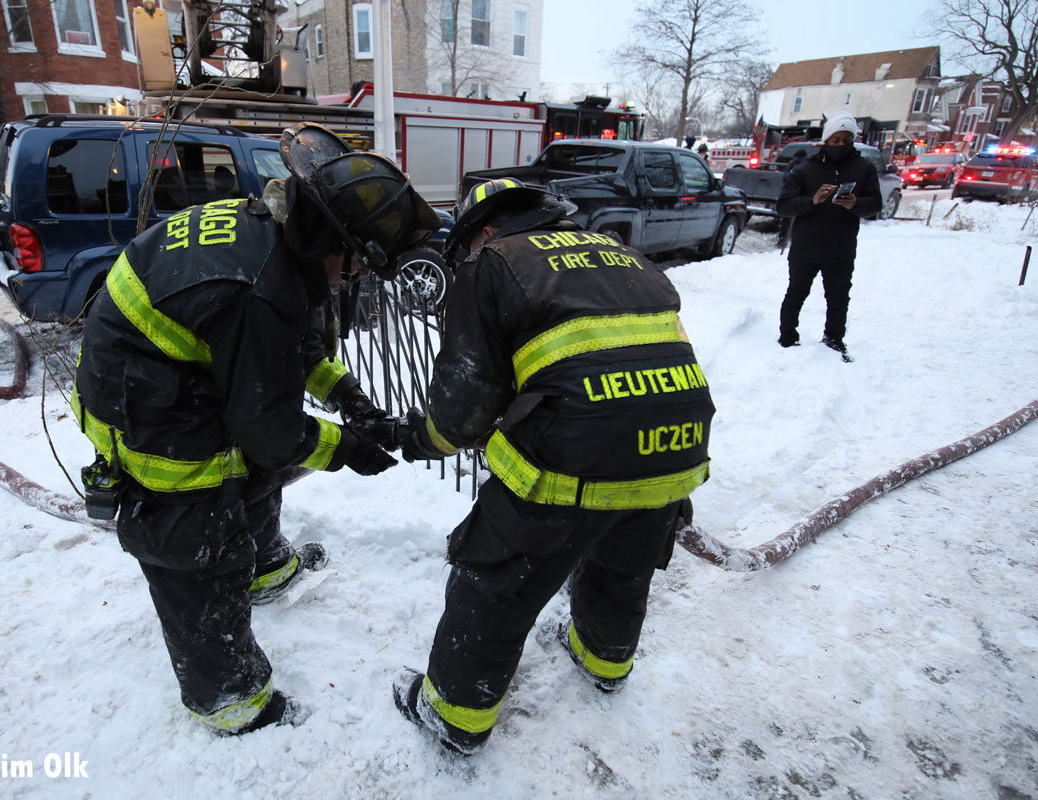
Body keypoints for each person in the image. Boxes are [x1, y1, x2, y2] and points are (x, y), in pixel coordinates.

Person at [73, 122, 440, 736]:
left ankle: (266, 568)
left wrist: (349, 398)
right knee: (196, 546)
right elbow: (268, 426)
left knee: (251, 468)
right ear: (337, 241)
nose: (352, 279)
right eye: (356, 265)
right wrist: (348, 448)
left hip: (175, 377)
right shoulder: (260, 287)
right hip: (149, 414)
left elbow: (284, 354)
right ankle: (229, 698)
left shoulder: (271, 228)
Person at [390, 178, 716, 755]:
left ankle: (455, 717)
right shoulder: (623, 255)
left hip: (575, 450)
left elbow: (464, 407)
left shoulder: (494, 262)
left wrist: (422, 438)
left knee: (493, 584)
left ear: (485, 230)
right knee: (623, 561)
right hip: (678, 439)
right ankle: (605, 661)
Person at [776, 112, 881, 362]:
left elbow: (875, 203)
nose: (840, 145)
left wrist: (855, 203)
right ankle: (787, 337)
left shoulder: (864, 168)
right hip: (806, 246)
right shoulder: (805, 170)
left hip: (840, 248)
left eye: (846, 140)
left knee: (838, 298)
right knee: (796, 292)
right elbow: (784, 206)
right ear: (826, 140)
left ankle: (834, 339)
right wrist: (812, 200)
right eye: (835, 140)